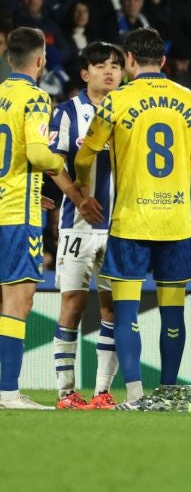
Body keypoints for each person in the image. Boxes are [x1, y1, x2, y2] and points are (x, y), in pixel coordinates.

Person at [75, 27, 191, 408]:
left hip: (132, 219)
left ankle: (134, 393)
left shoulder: (116, 102)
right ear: (163, 61)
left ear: (130, 61)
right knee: (173, 312)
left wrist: (85, 190)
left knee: (126, 310)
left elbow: (85, 156)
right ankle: (167, 391)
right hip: (175, 222)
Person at [0, 28, 93, 410]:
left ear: (9, 59)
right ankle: (7, 392)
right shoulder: (36, 98)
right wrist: (62, 163)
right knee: (17, 301)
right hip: (16, 217)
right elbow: (39, 154)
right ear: (40, 61)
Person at [49, 42, 124, 410]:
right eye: (100, 65)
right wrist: (79, 198)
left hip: (120, 228)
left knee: (111, 309)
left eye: (115, 65)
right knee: (73, 305)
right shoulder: (67, 112)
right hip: (76, 227)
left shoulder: (131, 113)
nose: (109, 71)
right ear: (85, 73)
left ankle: (102, 392)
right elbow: (52, 164)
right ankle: (66, 392)